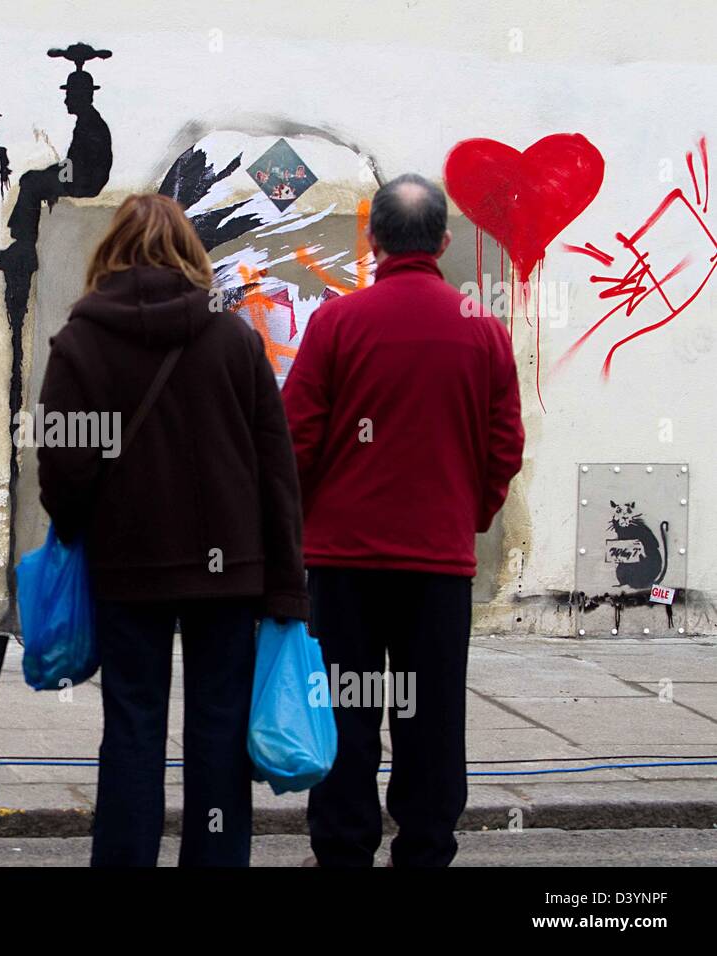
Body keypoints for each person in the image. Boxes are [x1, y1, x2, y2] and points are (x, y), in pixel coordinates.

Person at [36, 193, 308, 867]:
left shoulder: (81, 341)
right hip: (230, 570)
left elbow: (64, 464)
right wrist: (285, 583)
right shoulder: (235, 339)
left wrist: (74, 529)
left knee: (132, 726)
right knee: (218, 731)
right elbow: (277, 467)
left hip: (129, 567)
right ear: (190, 253)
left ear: (111, 254)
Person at [282, 173, 525, 867]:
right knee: (432, 715)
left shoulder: (336, 322)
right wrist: (467, 513)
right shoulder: (483, 328)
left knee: (345, 710)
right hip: (437, 564)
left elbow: (297, 438)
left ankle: (344, 844)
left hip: (345, 561)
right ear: (444, 242)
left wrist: (304, 523)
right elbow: (503, 442)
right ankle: (424, 846)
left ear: (373, 238)